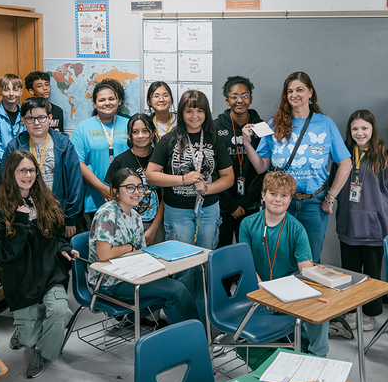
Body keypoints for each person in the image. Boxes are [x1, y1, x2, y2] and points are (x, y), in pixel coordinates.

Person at [242, 72, 352, 264]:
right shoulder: (274, 124)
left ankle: (308, 294)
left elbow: (345, 163)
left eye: (300, 89)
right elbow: (261, 167)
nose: (294, 94)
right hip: (281, 203)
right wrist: (247, 143)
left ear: (310, 92)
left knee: (309, 260)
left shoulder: (325, 124)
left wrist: (331, 196)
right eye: (290, 91)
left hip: (314, 203)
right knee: (278, 258)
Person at [0, 150, 78, 379]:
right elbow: (6, 253)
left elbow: (58, 237)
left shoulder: (46, 199)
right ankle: (26, 329)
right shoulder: (1, 208)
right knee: (28, 337)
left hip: (49, 273)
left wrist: (65, 249)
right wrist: (20, 221)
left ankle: (42, 351)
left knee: (60, 312)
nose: (28, 175)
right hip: (21, 279)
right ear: (12, 172)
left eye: (31, 170)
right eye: (22, 170)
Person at [88, 168, 199, 325]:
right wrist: (128, 248)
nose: (137, 192)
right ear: (116, 192)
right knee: (176, 290)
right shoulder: (107, 213)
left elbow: (139, 252)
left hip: (131, 273)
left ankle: (135, 317)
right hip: (108, 282)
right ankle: (197, 336)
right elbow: (104, 254)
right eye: (130, 188)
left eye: (140, 187)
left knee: (168, 284)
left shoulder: (135, 216)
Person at [238, 171, 329, 357]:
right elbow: (246, 267)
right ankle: (283, 359)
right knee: (247, 350)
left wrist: (316, 292)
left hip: (290, 291)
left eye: (284, 195)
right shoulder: (247, 224)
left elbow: (307, 270)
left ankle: (318, 357)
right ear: (263, 195)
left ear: (290, 200)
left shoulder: (296, 228)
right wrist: (265, 293)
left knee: (321, 311)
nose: (278, 199)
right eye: (273, 193)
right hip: (258, 291)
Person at [335, 110, 388, 332]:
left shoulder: (386, 158)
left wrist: (375, 210)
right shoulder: (342, 156)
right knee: (349, 272)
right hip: (348, 224)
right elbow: (333, 185)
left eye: (364, 128)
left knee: (372, 274)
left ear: (373, 129)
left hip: (374, 228)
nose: (359, 133)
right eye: (355, 128)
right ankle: (352, 309)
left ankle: (370, 314)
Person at [146, 90, 234, 250]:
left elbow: (228, 177)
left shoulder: (215, 140)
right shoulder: (169, 140)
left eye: (200, 110)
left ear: (206, 113)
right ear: (181, 113)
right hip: (177, 210)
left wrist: (207, 188)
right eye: (189, 111)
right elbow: (150, 176)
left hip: (208, 209)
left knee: (206, 258)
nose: (195, 116)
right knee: (182, 262)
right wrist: (183, 180)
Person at [1, 97, 84, 238]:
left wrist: (71, 217)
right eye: (30, 119)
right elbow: (5, 181)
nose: (36, 123)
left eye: (41, 117)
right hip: (25, 214)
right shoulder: (14, 146)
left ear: (50, 118)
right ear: (23, 120)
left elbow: (75, 184)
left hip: (58, 212)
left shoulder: (64, 144)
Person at [215, 76, 265, 247]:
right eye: (234, 96)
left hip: (250, 204)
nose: (239, 100)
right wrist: (231, 205)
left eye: (245, 95)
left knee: (249, 253)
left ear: (250, 99)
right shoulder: (215, 128)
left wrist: (244, 203)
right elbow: (213, 170)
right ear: (227, 100)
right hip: (223, 205)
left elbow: (264, 169)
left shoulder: (262, 128)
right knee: (223, 252)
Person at [71, 82, 130, 218]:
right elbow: (78, 162)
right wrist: (103, 189)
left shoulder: (129, 124)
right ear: (94, 103)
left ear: (118, 101)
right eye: (102, 100)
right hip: (96, 194)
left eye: (111, 99)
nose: (107, 103)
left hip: (127, 193)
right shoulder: (83, 127)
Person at [105, 113, 164, 246]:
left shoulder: (162, 160)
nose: (140, 136)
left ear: (153, 133)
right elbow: (113, 197)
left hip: (157, 224)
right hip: (126, 224)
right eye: (135, 132)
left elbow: (165, 198)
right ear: (129, 135)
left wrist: (153, 229)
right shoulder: (120, 161)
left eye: (145, 131)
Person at [0, 73, 26, 176]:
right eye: (6, 90)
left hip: (25, 165)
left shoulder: (25, 113)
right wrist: (17, 163)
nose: (11, 94)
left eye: (15, 90)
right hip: (2, 166)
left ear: (21, 92)